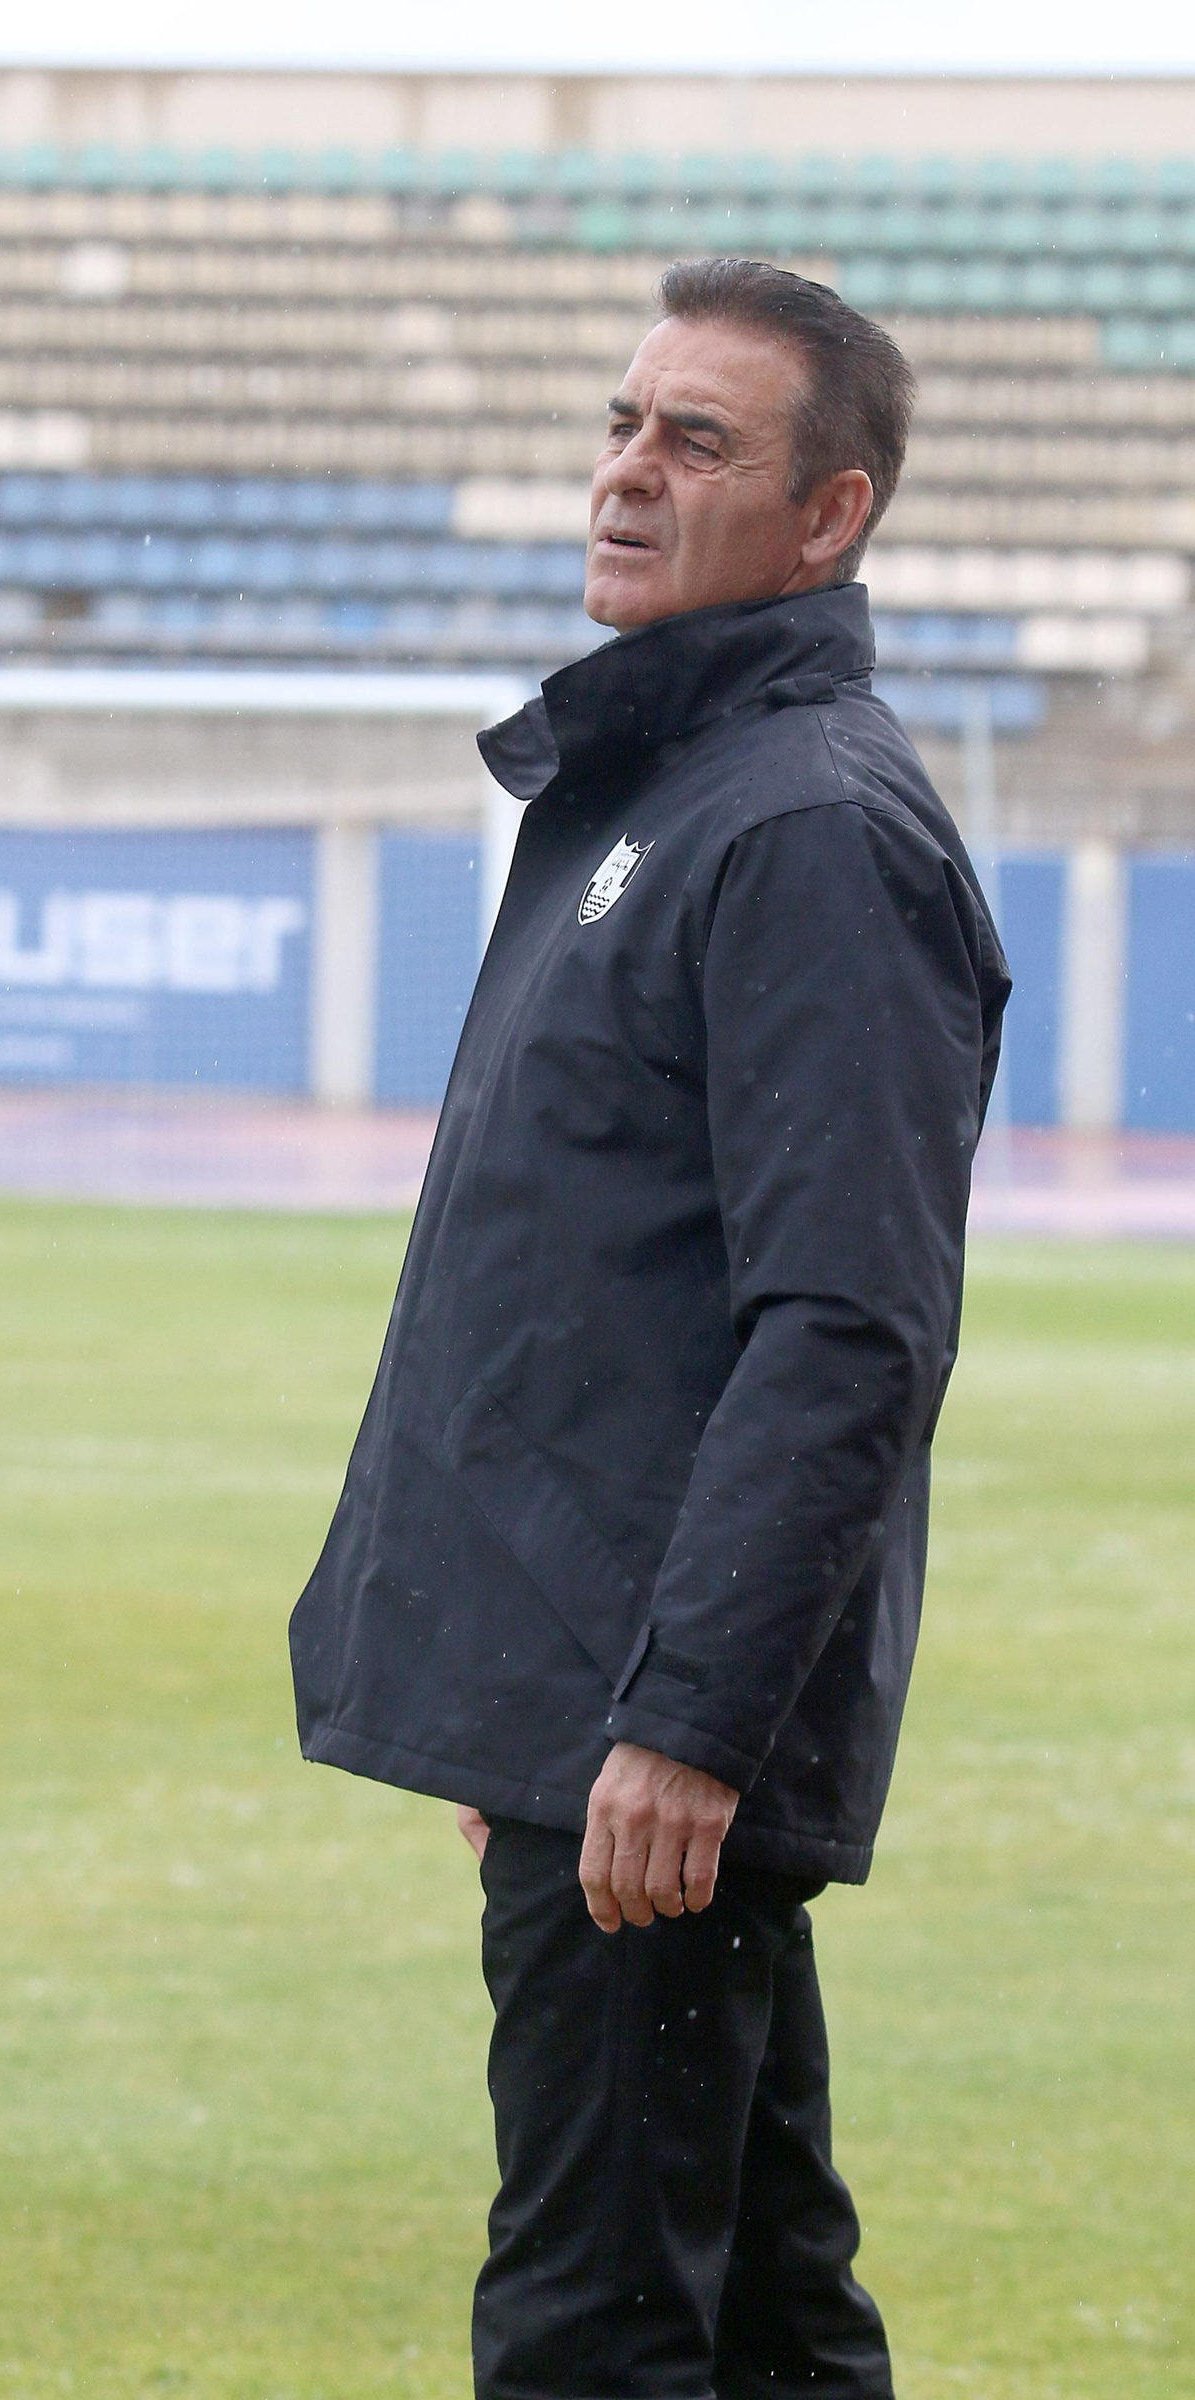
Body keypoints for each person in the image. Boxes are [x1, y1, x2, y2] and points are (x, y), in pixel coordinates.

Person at [290, 257, 1010, 2400]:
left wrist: (674, 1723)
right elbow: (591, 1290)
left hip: (651, 1737)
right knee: (763, 2316)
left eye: (692, 443)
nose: (623, 473)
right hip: (584, 1706)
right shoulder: (664, 788)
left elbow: (845, 1326)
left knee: (594, 2327)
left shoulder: (801, 828)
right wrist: (531, 1700)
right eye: (618, 425)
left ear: (829, 516)